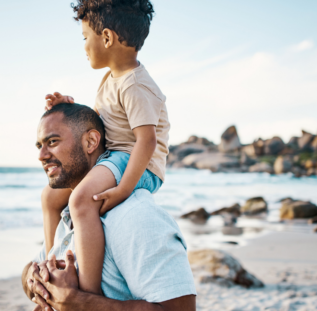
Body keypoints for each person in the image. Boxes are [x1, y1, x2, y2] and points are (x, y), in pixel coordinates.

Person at [41, 0, 170, 296]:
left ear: (108, 38)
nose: (84, 46)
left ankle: (87, 291)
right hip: (114, 157)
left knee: (81, 200)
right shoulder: (112, 79)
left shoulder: (136, 85)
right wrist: (71, 108)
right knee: (51, 196)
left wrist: (125, 188)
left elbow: (146, 141)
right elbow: (102, 123)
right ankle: (53, 264)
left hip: (136, 163)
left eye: (86, 38)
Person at [23, 104, 195, 311]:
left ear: (91, 141)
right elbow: (33, 266)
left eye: (52, 142)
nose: (41, 155)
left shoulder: (136, 218)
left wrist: (81, 303)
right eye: (39, 146)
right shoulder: (69, 215)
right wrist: (35, 279)